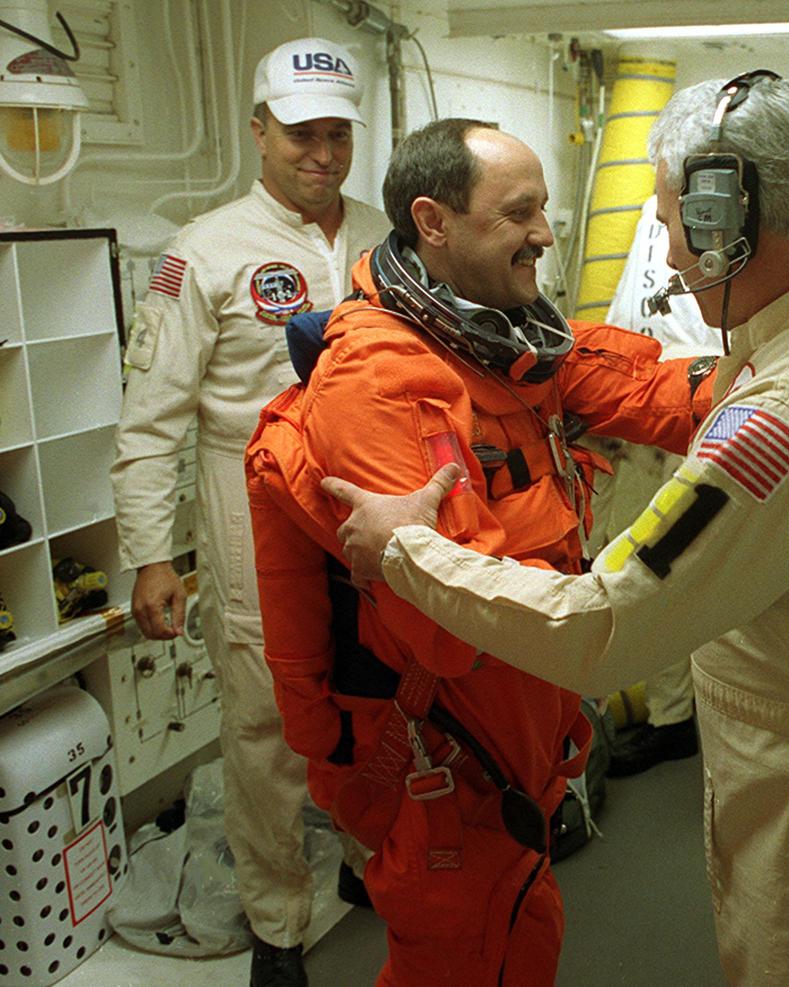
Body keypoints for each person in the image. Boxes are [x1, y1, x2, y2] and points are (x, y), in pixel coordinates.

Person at [324, 73, 789, 986]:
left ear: (726, 219)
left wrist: (404, 549)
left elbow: (602, 628)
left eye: (670, 226)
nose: (668, 260)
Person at [244, 118, 717, 986]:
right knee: (462, 962)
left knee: (517, 942)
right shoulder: (382, 378)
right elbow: (450, 630)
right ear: (435, 222)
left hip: (515, 743)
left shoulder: (499, 340)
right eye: (520, 212)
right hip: (443, 766)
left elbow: (650, 389)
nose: (545, 233)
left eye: (544, 210)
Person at [110, 37, 388, 987]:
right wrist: (153, 553)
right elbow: (152, 420)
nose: (323, 152)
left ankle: (365, 864)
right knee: (267, 720)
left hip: (369, 495)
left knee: (374, 690)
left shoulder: (384, 239)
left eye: (338, 133)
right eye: (302, 132)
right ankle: (276, 925)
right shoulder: (204, 253)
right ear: (259, 130)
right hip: (250, 494)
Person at [589, 195, 720, 777]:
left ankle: (678, 720)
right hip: (640, 397)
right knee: (629, 560)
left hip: (697, 399)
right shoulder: (650, 210)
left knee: (681, 569)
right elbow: (630, 309)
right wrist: (607, 404)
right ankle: (663, 713)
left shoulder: (731, 210)